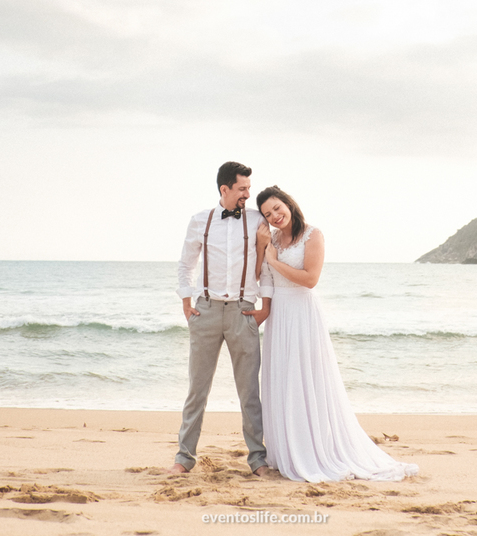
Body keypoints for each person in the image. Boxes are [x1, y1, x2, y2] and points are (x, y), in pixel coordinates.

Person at [256, 185, 418, 482]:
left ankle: (315, 450)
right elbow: (263, 277)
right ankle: (288, 450)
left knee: (308, 380)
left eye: (277, 208)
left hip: (303, 313)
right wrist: (262, 261)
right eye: (268, 214)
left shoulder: (312, 235)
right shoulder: (273, 240)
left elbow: (310, 279)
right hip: (279, 316)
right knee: (283, 380)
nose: (275, 216)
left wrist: (275, 261)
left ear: (289, 204)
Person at [170, 161, 274, 476]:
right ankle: (184, 458)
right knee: (197, 390)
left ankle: (257, 458)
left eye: (249, 188)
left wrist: (265, 307)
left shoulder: (257, 220)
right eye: (242, 189)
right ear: (224, 189)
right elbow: (186, 263)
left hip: (243, 311)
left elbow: (266, 265)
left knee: (249, 392)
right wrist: (186, 302)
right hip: (206, 310)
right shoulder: (200, 220)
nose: (248, 194)